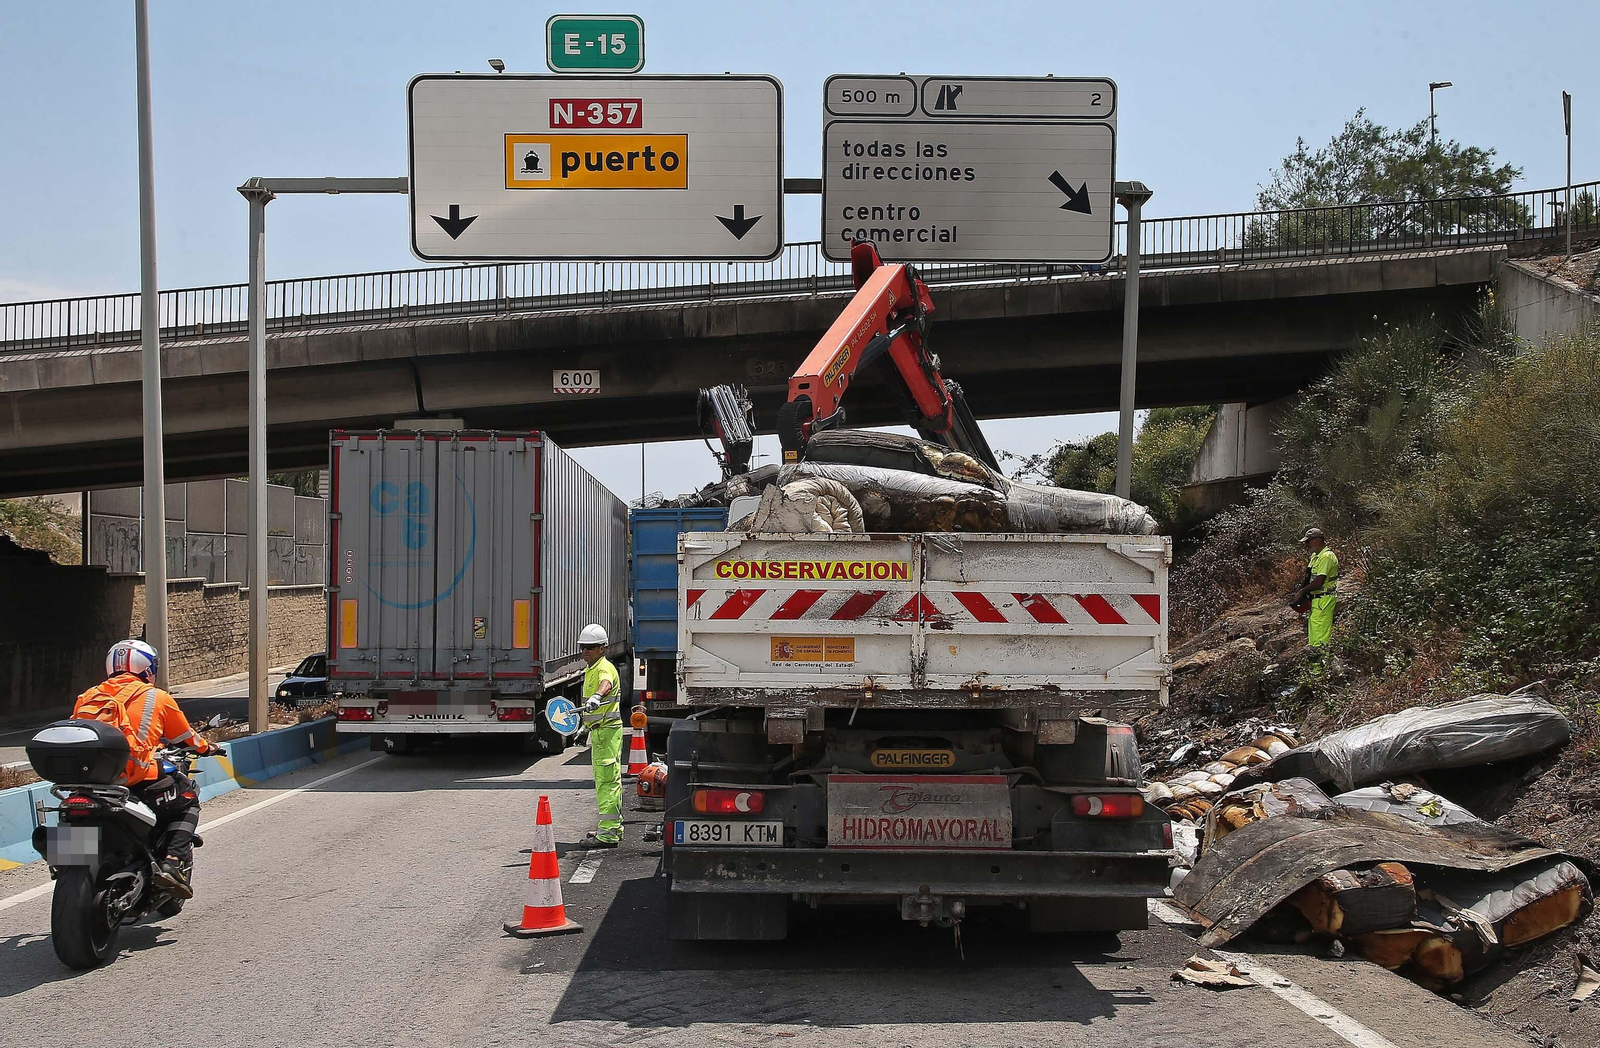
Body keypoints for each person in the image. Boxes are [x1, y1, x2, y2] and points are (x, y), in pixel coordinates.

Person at [72, 639, 211, 898]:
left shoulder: (88, 696)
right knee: (188, 797)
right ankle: (172, 861)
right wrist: (206, 748)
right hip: (133, 777)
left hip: (89, 778)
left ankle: (67, 859)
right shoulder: (157, 697)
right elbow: (185, 737)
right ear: (147, 668)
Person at [578, 624, 623, 848]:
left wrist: (597, 694)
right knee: (607, 781)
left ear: (602, 648)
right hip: (601, 733)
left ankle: (607, 834)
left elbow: (606, 684)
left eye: (591, 647)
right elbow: (594, 710)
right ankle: (614, 827)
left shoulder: (603, 668)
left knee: (607, 783)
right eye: (583, 647)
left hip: (607, 734)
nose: (585, 651)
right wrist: (584, 729)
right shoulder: (591, 668)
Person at [1290, 527, 1339, 675]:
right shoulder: (1316, 556)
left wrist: (1302, 591)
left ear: (1317, 540)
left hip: (1324, 600)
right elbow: (1309, 578)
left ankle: (1320, 675)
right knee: (1314, 639)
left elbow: (1319, 581)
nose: (1307, 545)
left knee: (1320, 640)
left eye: (1309, 542)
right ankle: (1316, 672)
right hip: (1316, 601)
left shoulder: (1327, 557)